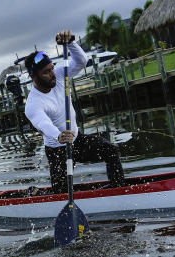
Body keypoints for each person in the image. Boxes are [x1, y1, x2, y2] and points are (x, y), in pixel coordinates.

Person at [23, 29, 125, 192]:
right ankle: (37, 193)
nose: (52, 74)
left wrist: (70, 43)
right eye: (46, 72)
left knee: (111, 150)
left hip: (77, 140)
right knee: (62, 193)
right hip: (57, 150)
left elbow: (81, 61)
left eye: (51, 68)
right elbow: (43, 123)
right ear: (34, 77)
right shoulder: (33, 104)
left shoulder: (60, 74)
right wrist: (59, 135)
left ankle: (119, 189)